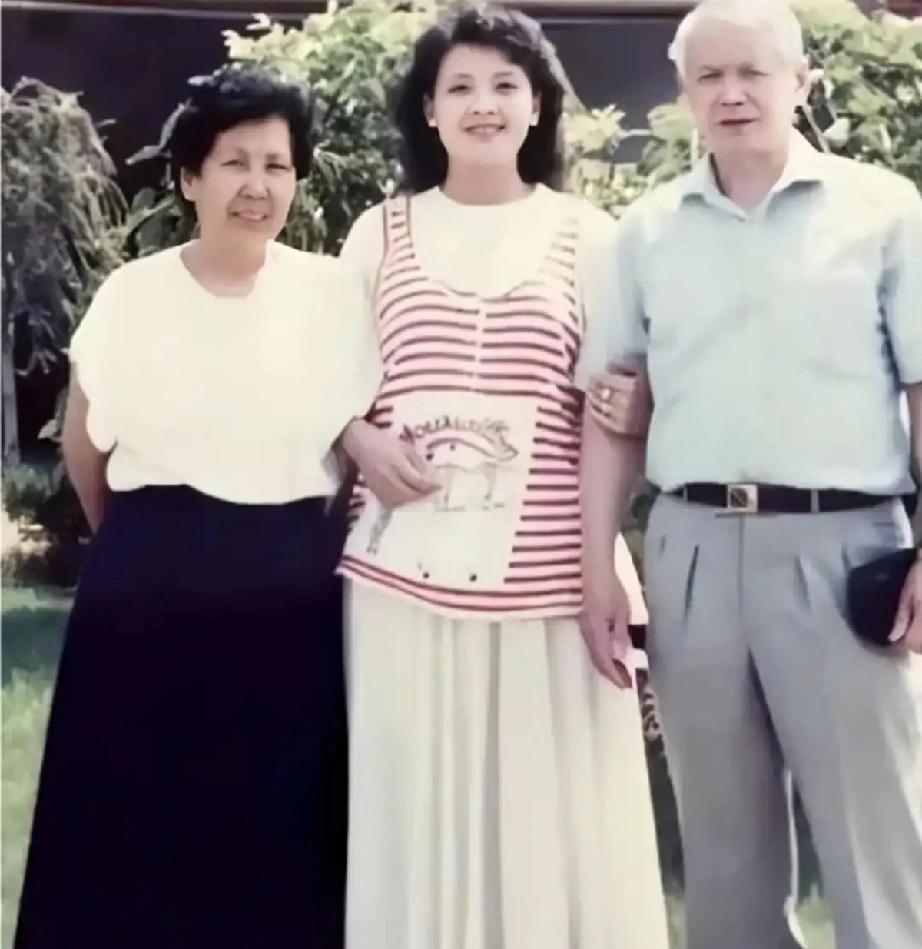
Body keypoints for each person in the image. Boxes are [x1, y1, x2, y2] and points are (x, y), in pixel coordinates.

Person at [580, 2, 922, 948]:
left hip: (845, 546)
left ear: (799, 81)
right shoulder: (644, 233)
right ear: (685, 91)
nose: (731, 93)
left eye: (753, 72)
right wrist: (597, 563)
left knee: (878, 841)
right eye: (710, 76)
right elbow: (611, 411)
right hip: (690, 548)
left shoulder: (886, 212)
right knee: (724, 849)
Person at [15, 67, 380, 949]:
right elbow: (85, 448)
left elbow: (352, 440)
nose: (257, 186)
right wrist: (147, 546)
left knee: (279, 822)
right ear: (189, 177)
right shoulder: (132, 294)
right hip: (148, 584)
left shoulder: (334, 294)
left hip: (290, 589)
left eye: (277, 166)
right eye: (234, 163)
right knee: (133, 829)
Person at [337, 6, 669, 948]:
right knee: (414, 805)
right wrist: (360, 441)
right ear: (429, 109)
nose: (483, 104)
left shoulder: (591, 237)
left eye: (504, 85)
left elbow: (612, 418)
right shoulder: (378, 234)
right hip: (401, 578)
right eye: (460, 87)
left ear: (537, 106)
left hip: (549, 583)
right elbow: (327, 388)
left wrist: (601, 566)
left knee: (549, 816)